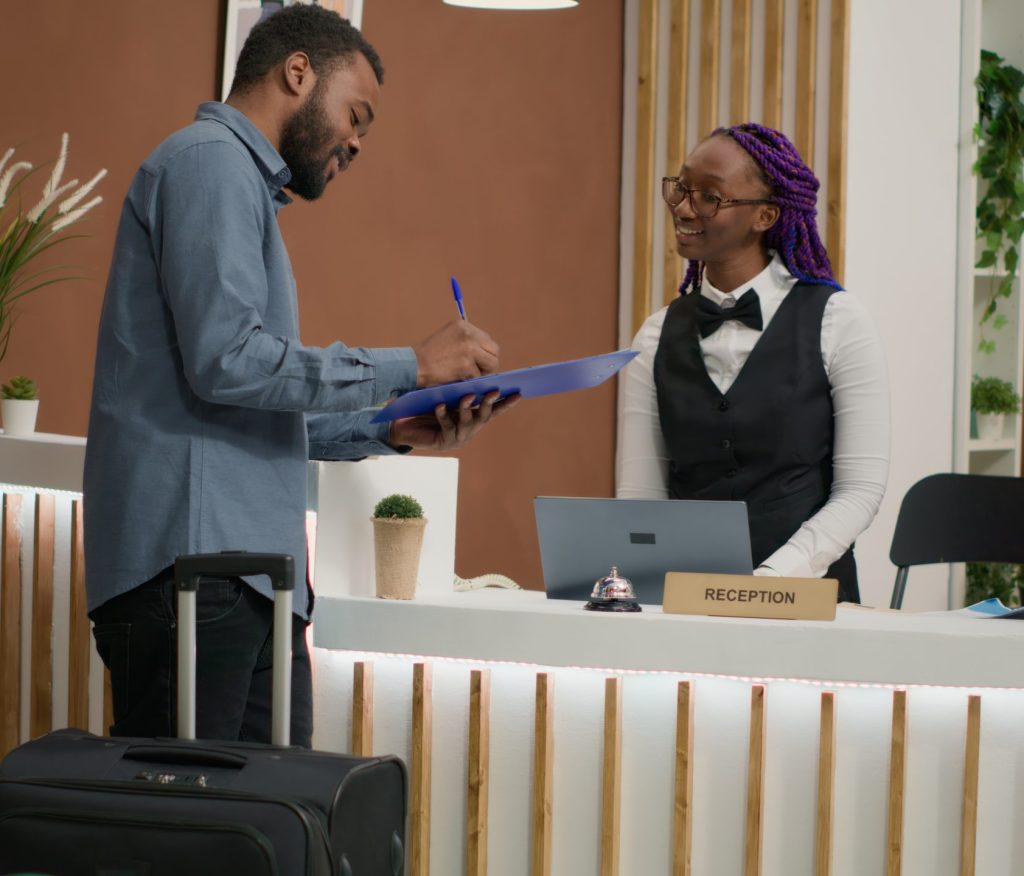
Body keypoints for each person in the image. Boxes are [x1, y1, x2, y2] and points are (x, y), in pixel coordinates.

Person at [84, 5, 517, 746]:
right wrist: (408, 364)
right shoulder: (209, 161)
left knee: (259, 836)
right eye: (358, 115)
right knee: (193, 840)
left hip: (243, 583)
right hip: (196, 576)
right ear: (296, 73)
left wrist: (390, 425)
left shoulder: (237, 183)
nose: (356, 141)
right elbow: (230, 363)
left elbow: (246, 396)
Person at [617, 123, 889, 603]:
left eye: (710, 197)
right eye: (681, 188)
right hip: (685, 600)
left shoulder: (839, 321)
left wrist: (769, 581)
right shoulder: (655, 335)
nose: (683, 207)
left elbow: (860, 490)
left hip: (810, 600)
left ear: (765, 215)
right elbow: (640, 499)